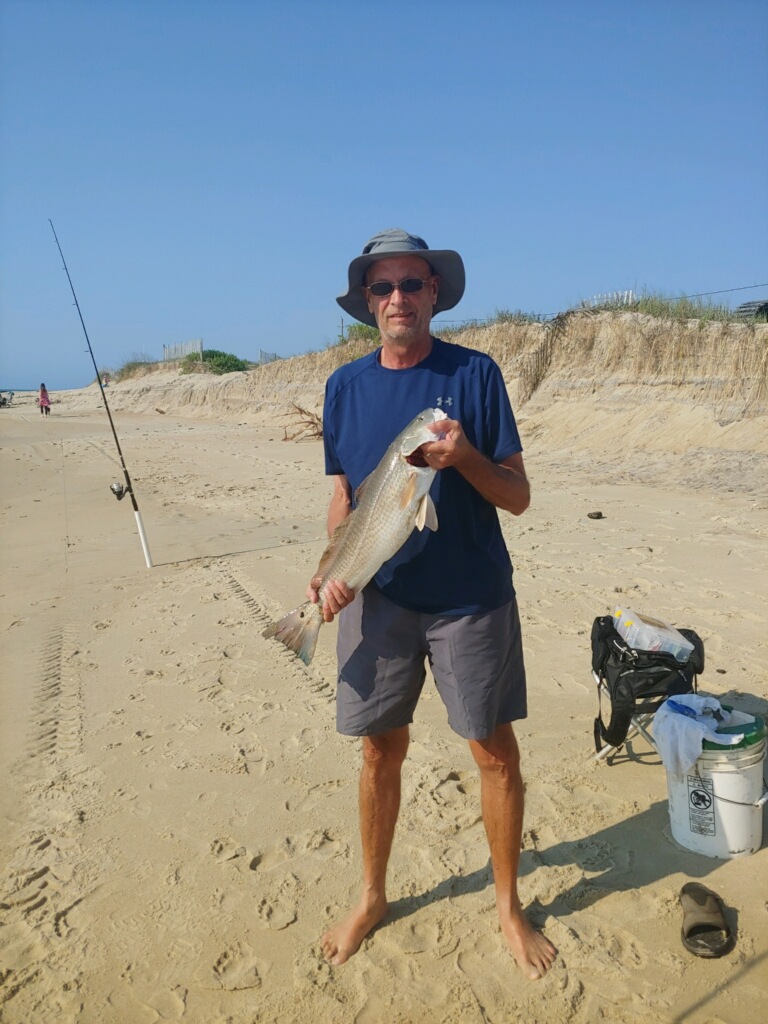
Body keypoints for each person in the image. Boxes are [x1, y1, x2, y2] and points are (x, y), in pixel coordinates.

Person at [311, 229, 556, 979]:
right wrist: (329, 575)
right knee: (378, 749)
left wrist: (465, 458)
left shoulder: (475, 375)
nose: (398, 299)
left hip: (471, 601)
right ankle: (372, 895)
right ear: (367, 302)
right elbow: (344, 497)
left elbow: (518, 497)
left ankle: (508, 906)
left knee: (493, 751)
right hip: (378, 600)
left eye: (412, 284)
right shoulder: (344, 387)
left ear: (435, 293)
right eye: (383, 287)